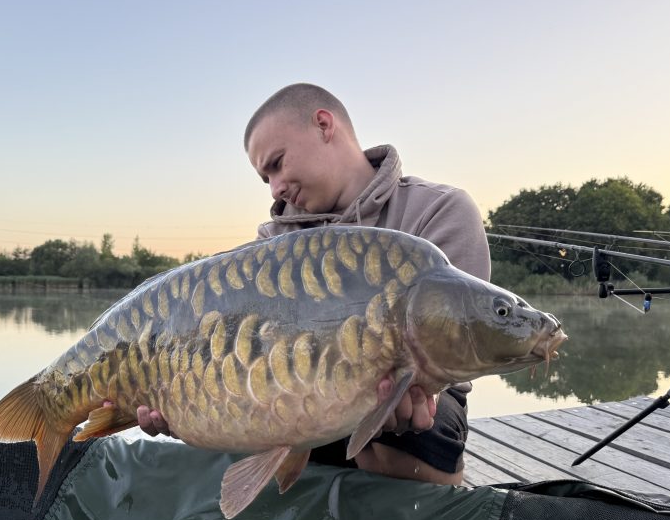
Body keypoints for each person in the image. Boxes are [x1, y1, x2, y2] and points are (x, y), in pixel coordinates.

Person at [138, 83, 491, 486]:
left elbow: (459, 341)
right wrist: (185, 402)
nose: (276, 188)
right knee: (232, 408)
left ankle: (399, 505)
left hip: (414, 401)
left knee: (424, 418)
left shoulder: (438, 209)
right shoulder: (272, 244)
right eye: (266, 179)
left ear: (324, 125)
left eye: (277, 164)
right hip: (293, 394)